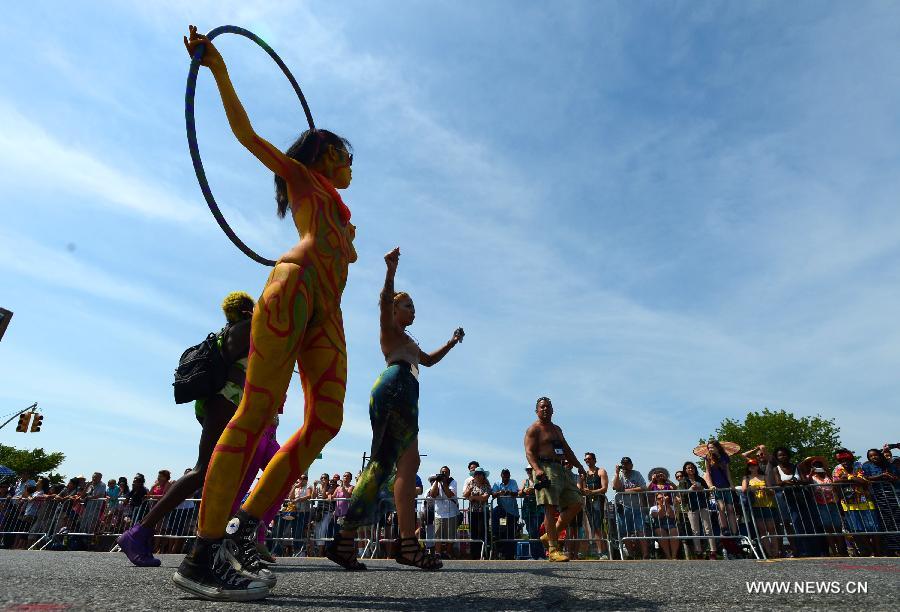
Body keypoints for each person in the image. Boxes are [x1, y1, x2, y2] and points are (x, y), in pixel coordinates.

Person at [177, 25, 359, 601]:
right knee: (256, 409)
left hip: (326, 310)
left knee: (324, 421)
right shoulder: (303, 177)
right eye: (344, 154)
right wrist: (218, 67)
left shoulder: (335, 202)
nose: (350, 163)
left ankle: (243, 526)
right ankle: (203, 553)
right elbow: (246, 134)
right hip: (294, 289)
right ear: (324, 153)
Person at [327, 248, 463, 570]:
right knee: (382, 465)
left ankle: (405, 543)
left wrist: (451, 342)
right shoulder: (389, 330)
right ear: (393, 308)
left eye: (413, 305)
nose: (412, 309)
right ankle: (348, 539)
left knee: (407, 464)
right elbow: (386, 297)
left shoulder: (409, 342)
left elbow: (427, 361)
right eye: (406, 304)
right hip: (396, 387)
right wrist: (390, 272)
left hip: (407, 391)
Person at [119, 292, 255, 568]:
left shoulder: (229, 330)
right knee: (203, 469)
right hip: (224, 400)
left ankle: (211, 541)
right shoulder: (247, 329)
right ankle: (140, 531)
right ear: (247, 310)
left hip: (217, 402)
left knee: (217, 470)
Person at [524, 396, 586, 562]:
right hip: (545, 468)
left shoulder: (557, 429)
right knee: (550, 508)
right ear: (536, 410)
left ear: (553, 410)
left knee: (577, 502)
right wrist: (537, 469)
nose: (545, 409)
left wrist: (579, 466)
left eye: (548, 407)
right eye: (542, 407)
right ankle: (553, 549)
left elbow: (566, 449)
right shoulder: (534, 429)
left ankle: (549, 535)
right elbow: (529, 452)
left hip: (561, 468)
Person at [833, 448, 880, 556]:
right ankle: (869, 551)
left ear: (850, 459)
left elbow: (863, 481)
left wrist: (848, 477)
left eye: (846, 460)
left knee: (874, 527)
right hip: (849, 503)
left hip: (865, 501)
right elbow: (836, 483)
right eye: (841, 460)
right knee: (857, 529)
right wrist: (853, 479)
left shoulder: (858, 465)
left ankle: (878, 552)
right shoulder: (837, 469)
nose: (844, 462)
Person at [803, 458, 846, 557]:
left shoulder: (828, 475)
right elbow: (807, 484)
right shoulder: (811, 477)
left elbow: (835, 484)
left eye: (819, 465)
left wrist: (827, 471)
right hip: (821, 504)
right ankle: (834, 552)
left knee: (838, 527)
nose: (818, 467)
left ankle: (842, 550)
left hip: (833, 503)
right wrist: (811, 473)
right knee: (827, 527)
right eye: (815, 465)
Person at [861, 447, 900, 555]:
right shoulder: (866, 465)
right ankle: (890, 549)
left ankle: (898, 547)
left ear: (880, 455)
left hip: (892, 495)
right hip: (878, 497)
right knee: (885, 522)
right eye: (871, 456)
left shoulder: (889, 465)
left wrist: (893, 478)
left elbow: (897, 477)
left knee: (897, 520)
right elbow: (866, 478)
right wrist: (881, 476)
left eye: (875, 455)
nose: (874, 457)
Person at [612, 457, 649, 560]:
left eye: (627, 464)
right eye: (623, 464)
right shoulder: (619, 475)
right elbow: (615, 486)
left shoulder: (637, 474)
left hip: (637, 507)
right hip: (623, 507)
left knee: (641, 530)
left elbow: (643, 487)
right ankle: (631, 555)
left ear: (631, 465)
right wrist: (616, 473)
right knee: (625, 532)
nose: (625, 466)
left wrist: (627, 490)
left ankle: (645, 555)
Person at [741, 460, 779, 558]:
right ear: (748, 468)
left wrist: (765, 489)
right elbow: (744, 489)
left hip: (768, 504)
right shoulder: (746, 477)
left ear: (758, 466)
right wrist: (751, 488)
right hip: (755, 505)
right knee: (762, 530)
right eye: (750, 466)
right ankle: (768, 553)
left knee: (771, 528)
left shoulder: (764, 477)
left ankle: (775, 551)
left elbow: (771, 491)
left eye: (754, 465)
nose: (752, 467)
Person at [678, 462, 715, 559]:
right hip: (691, 507)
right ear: (685, 470)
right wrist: (690, 489)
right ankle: (698, 552)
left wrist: (702, 488)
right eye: (688, 468)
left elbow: (708, 491)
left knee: (708, 528)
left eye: (692, 467)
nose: (690, 469)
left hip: (703, 505)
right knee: (695, 531)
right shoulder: (683, 481)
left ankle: (713, 551)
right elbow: (681, 496)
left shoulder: (700, 479)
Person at [580, 453, 609, 559]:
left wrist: (592, 492)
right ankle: (601, 551)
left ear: (594, 460)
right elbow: (583, 490)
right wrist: (583, 485)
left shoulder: (601, 471)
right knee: (593, 526)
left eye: (589, 459)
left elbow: (604, 488)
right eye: (585, 459)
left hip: (599, 501)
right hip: (588, 502)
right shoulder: (585, 474)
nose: (587, 461)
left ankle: (603, 552)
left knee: (598, 526)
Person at [428, 466, 459, 559]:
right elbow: (433, 495)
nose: (444, 474)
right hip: (439, 513)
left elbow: (449, 494)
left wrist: (444, 482)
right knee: (438, 535)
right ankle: (438, 553)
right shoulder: (435, 482)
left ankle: (448, 552)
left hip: (451, 512)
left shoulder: (452, 482)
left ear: (449, 474)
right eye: (442, 472)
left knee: (451, 535)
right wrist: (437, 481)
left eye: (446, 472)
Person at [491, 469, 520, 559]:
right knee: (502, 531)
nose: (506, 477)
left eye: (507, 475)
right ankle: (501, 551)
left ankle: (510, 555)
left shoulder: (513, 482)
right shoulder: (497, 483)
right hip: (503, 514)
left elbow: (516, 493)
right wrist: (500, 493)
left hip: (512, 513)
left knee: (510, 534)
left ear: (509, 475)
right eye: (504, 475)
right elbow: (493, 495)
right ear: (501, 475)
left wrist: (509, 492)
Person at [520, 467, 545, 559]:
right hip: (527, 509)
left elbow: (543, 490)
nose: (529, 471)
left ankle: (540, 553)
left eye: (531, 469)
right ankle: (535, 554)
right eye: (527, 470)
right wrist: (523, 491)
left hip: (538, 509)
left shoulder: (538, 480)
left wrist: (533, 491)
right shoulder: (525, 481)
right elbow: (520, 492)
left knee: (537, 531)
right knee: (531, 531)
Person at [649, 492, 679, 559]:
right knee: (661, 532)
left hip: (670, 525)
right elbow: (659, 516)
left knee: (674, 531)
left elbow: (672, 516)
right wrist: (663, 505)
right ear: (656, 500)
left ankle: (674, 556)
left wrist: (667, 505)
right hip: (659, 526)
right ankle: (668, 555)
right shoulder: (653, 508)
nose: (662, 499)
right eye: (659, 498)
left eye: (663, 498)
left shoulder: (671, 507)